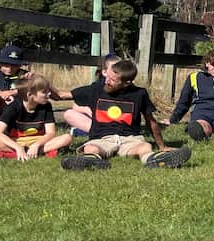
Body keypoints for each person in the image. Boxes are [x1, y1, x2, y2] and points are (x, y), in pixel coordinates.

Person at [61, 59, 190, 170]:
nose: (107, 81)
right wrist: (46, 88)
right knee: (91, 148)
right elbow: (62, 95)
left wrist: (162, 146)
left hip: (130, 139)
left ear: (126, 82)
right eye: (107, 77)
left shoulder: (139, 94)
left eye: (112, 80)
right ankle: (90, 161)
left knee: (145, 147)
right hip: (102, 138)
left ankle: (156, 160)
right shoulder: (96, 89)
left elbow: (151, 121)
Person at [168, 49, 214, 141]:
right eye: (213, 65)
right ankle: (198, 131)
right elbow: (184, 101)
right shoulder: (194, 77)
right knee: (202, 128)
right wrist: (173, 120)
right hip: (202, 113)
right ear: (207, 63)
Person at [0, 75, 73, 160]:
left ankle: (21, 153)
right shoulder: (14, 106)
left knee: (67, 138)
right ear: (30, 95)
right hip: (17, 141)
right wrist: (17, 147)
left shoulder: (46, 106)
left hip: (38, 140)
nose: (49, 93)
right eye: (44, 92)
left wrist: (36, 145)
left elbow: (51, 133)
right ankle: (34, 152)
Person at [62, 53, 122, 136]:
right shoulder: (95, 88)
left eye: (121, 68)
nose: (119, 72)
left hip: (119, 124)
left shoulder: (128, 89)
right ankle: (96, 132)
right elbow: (74, 103)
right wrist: (88, 111)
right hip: (100, 124)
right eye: (115, 69)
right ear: (104, 72)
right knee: (69, 114)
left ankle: (84, 132)